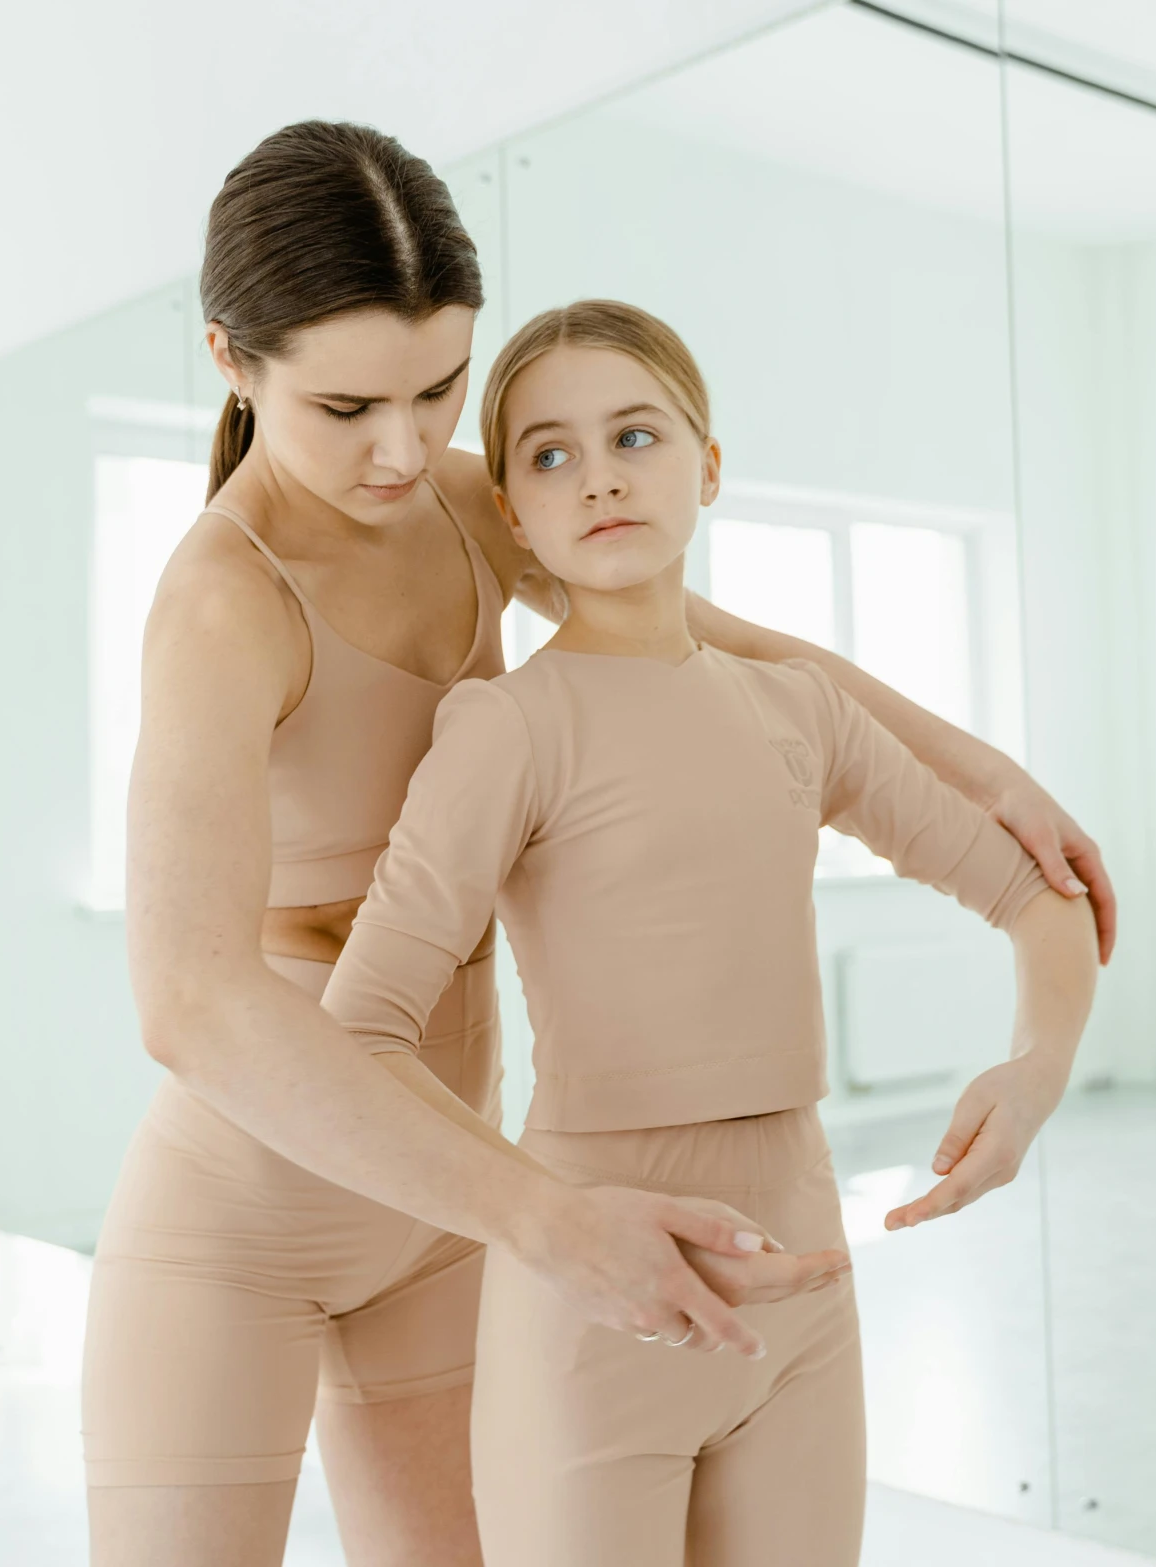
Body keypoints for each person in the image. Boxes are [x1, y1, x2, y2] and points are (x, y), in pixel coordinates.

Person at [82, 121, 1116, 1567]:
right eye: (346, 406)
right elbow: (186, 997)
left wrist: (978, 770)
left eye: (439, 385)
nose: (401, 444)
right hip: (252, 1215)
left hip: (455, 1201)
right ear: (230, 361)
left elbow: (718, 645)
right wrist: (549, 1219)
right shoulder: (219, 601)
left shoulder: (461, 498)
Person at [319, 298, 1101, 1566]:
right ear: (512, 511)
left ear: (710, 467)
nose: (600, 477)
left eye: (636, 435)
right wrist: (537, 1220)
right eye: (550, 454)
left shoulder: (799, 711)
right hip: (591, 1309)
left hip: (802, 1278)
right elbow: (356, 1037)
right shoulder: (507, 729)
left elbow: (1036, 894)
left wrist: (1037, 1068)